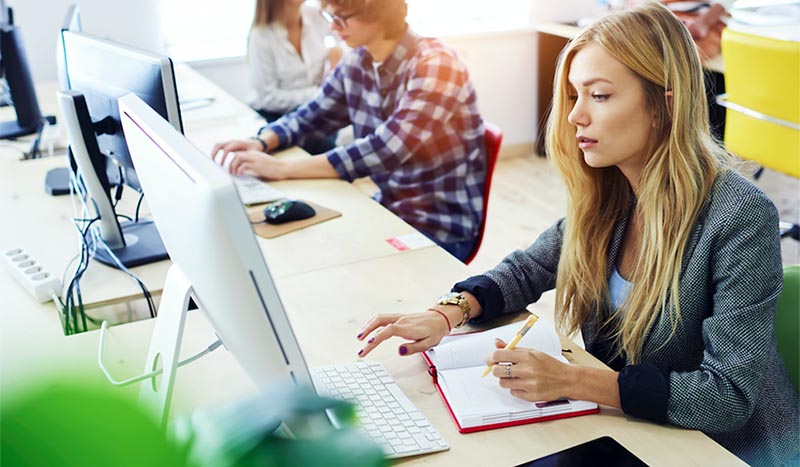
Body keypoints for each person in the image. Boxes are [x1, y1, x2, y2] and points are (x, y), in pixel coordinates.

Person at [355, 2, 799, 466]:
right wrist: (448, 312)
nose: (575, 117)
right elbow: (530, 268)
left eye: (600, 96)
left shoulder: (739, 217)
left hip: (726, 451)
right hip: (639, 430)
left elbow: (726, 396)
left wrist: (575, 380)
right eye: (574, 96)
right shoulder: (614, 193)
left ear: (665, 104)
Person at [212, 0, 487, 261]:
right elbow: (313, 115)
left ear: (380, 13)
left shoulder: (437, 65)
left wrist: (282, 169)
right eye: (331, 16)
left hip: (439, 227)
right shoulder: (358, 61)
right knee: (303, 252)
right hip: (388, 208)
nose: (334, 27)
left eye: (342, 18)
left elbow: (384, 150)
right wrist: (261, 142)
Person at [247, 0, 342, 154]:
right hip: (275, 114)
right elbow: (268, 98)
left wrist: (336, 51)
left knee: (326, 140)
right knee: (324, 147)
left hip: (314, 108)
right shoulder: (261, 36)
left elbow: (348, 35)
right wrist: (318, 93)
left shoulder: (315, 14)